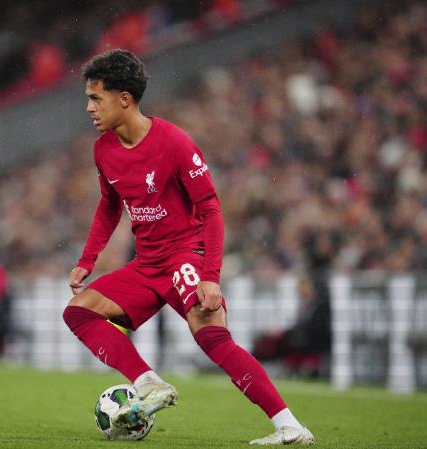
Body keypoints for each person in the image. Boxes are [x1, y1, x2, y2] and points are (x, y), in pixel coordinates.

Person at [62, 49, 314, 445]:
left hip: (185, 257)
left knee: (213, 339)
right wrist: (87, 260)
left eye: (96, 98)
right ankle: (148, 383)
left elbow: (211, 209)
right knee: (78, 312)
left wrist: (210, 276)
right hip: (146, 264)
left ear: (123, 99)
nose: (89, 108)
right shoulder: (103, 150)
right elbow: (109, 206)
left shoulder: (174, 141)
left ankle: (290, 426)